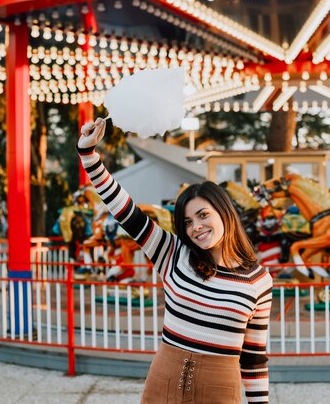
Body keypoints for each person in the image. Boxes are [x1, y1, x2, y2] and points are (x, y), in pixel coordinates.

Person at [77, 118, 272, 404]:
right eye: (188, 221)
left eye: (204, 215)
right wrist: (89, 155)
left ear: (224, 213)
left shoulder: (259, 281)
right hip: (163, 380)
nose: (197, 227)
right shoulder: (172, 253)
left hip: (219, 389)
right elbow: (124, 210)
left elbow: (254, 359)